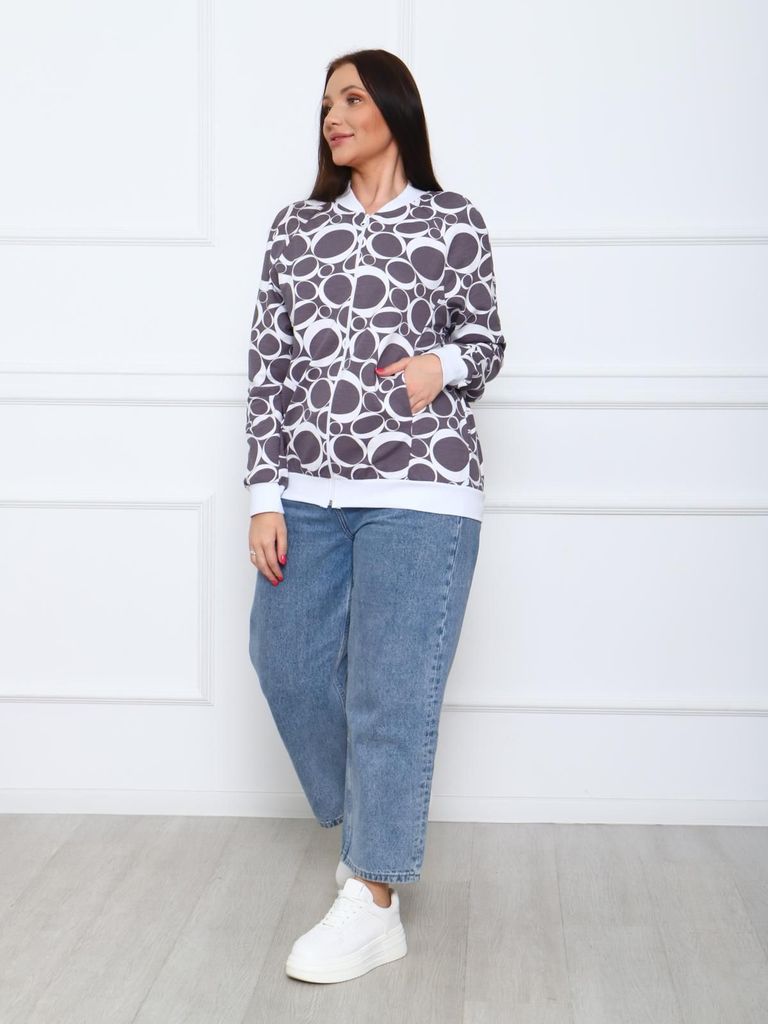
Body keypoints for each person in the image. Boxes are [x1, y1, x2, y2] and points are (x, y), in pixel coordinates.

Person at [245, 48, 506, 984]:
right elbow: (270, 362)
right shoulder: (296, 228)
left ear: (395, 108)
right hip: (308, 492)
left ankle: (373, 898)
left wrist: (445, 365)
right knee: (285, 660)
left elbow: (487, 339)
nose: (334, 116)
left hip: (423, 489)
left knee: (391, 698)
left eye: (352, 98)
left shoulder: (453, 219)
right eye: (325, 103)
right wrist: (263, 494)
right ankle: (371, 835)